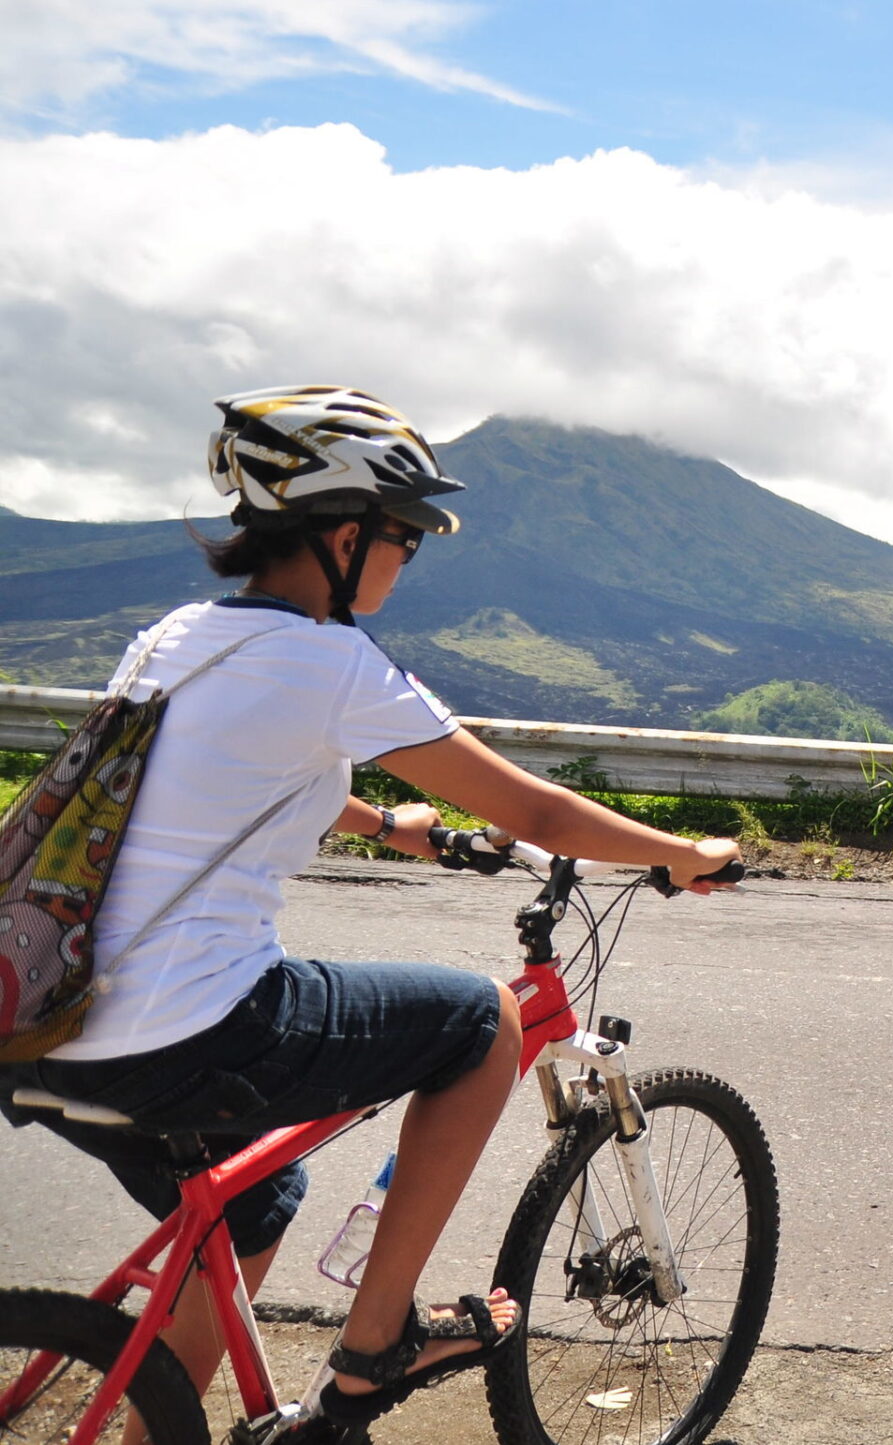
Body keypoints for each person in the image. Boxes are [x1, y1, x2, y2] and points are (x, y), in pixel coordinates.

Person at [2, 387, 743, 1441]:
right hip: (181, 1031)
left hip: (47, 1027)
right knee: (482, 1023)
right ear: (347, 536)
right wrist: (686, 853)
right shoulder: (330, 659)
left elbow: (208, 769)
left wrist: (389, 825)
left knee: (253, 1204)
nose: (409, 556)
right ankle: (373, 1348)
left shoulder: (178, 635)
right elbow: (532, 808)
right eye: (407, 535)